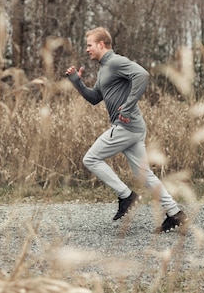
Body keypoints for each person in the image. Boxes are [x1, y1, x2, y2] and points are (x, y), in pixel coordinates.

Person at [65, 27, 188, 233]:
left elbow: (142, 75)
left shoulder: (114, 61)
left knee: (91, 159)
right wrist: (77, 82)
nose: (87, 49)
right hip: (133, 127)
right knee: (144, 174)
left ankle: (126, 196)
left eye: (89, 45)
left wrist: (129, 106)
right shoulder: (104, 68)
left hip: (125, 126)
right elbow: (95, 98)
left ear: (101, 44)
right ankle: (175, 213)